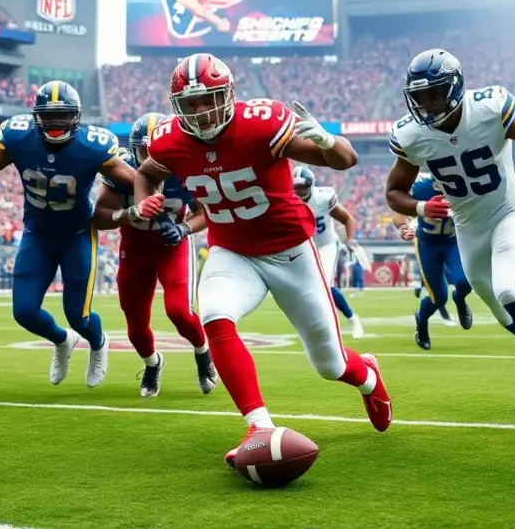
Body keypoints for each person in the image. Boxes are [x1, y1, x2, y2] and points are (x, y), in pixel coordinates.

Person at [132, 53, 392, 466]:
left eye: (209, 99)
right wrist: (146, 203)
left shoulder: (262, 121)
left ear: (229, 94)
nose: (200, 112)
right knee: (215, 315)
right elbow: (145, 173)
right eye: (191, 104)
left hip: (290, 251)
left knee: (331, 364)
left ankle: (369, 377)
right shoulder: (169, 139)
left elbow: (345, 160)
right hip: (231, 250)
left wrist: (328, 140)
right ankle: (259, 424)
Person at [386, 48, 515, 423]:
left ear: (454, 88)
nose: (424, 104)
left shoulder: (491, 108)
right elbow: (394, 192)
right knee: (494, 302)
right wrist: (422, 209)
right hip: (467, 224)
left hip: (509, 211)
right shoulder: (411, 135)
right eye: (418, 97)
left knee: (509, 290)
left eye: (433, 94)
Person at [0, 81, 139, 387]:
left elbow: (137, 182)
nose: (56, 124)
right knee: (24, 312)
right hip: (37, 235)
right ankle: (62, 341)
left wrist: (149, 204)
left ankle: (98, 343)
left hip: (77, 235)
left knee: (78, 315)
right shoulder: (18, 137)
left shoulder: (92, 146)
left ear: (76, 117)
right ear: (36, 117)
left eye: (63, 116)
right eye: (49, 116)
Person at [93, 111, 217, 398]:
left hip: (172, 246)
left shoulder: (186, 169)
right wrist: (129, 213)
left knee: (179, 311)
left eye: (156, 150)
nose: (150, 158)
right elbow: (98, 217)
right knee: (135, 327)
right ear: (133, 149)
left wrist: (185, 228)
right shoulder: (121, 171)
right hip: (134, 249)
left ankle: (203, 353)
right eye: (143, 151)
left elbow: (205, 213)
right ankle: (152, 363)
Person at [392, 171, 474, 351]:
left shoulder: (466, 185)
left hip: (453, 242)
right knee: (438, 298)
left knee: (465, 282)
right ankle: (421, 320)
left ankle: (460, 300)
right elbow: (399, 211)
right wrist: (404, 227)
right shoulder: (420, 187)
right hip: (427, 244)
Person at [291, 166, 365, 339]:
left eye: (303, 187)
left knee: (325, 285)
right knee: (302, 289)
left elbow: (347, 218)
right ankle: (318, 326)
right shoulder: (287, 201)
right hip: (304, 247)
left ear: (311, 185)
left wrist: (351, 239)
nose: (300, 191)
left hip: (326, 245)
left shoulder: (323, 198)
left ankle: (352, 319)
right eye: (296, 187)